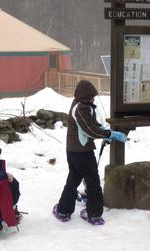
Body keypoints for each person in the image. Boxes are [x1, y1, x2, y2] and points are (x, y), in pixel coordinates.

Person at [53, 80, 126, 225]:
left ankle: (63, 210)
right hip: (82, 152)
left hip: (75, 150)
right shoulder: (81, 108)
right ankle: (94, 214)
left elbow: (92, 124)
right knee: (93, 181)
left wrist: (107, 132)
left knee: (73, 179)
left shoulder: (83, 106)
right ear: (86, 96)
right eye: (92, 96)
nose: (94, 99)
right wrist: (108, 134)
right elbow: (89, 130)